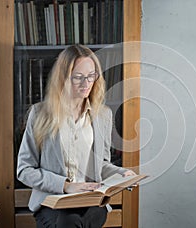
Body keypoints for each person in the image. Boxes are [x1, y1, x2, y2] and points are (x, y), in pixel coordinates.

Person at [17, 44, 136, 228]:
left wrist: (123, 174)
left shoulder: (102, 115)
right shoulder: (40, 113)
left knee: (82, 218)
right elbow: (24, 170)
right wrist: (65, 186)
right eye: (78, 77)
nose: (86, 83)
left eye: (91, 76)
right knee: (68, 221)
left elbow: (101, 165)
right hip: (52, 203)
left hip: (90, 202)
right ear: (62, 78)